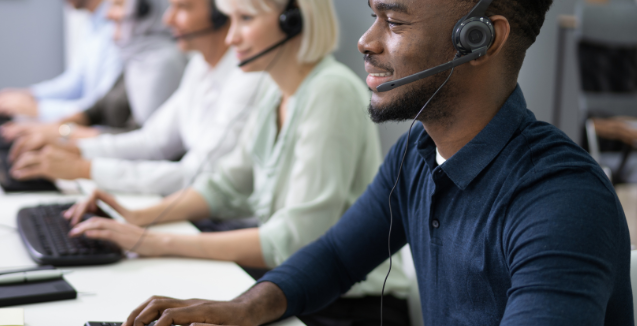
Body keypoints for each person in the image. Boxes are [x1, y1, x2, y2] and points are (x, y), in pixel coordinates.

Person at [120, 0, 635, 325]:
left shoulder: (562, 201)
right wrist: (242, 308)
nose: (366, 41)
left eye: (394, 20)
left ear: (480, 40)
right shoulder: (416, 153)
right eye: (373, 16)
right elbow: (338, 257)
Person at [65, 0, 412, 322]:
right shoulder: (274, 89)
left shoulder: (330, 91)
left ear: (292, 21)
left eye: (244, 19)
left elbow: (293, 239)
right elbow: (225, 186)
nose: (231, 37)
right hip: (293, 290)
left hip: (347, 307)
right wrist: (139, 217)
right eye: (229, 20)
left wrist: (153, 241)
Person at [4, 0, 267, 196]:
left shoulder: (246, 78)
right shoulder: (199, 66)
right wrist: (74, 148)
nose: (168, 19)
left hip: (214, 213)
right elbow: (152, 140)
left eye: (183, 7)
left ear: (221, 16)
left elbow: (195, 174)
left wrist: (83, 167)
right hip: (190, 201)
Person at [0, 0, 187, 136]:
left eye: (118, 4)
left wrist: (66, 135)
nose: (109, 14)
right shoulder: (135, 54)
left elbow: (145, 139)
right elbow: (96, 108)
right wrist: (49, 127)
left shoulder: (164, 61)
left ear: (146, 9)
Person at [0, 0, 122, 122]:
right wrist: (30, 95)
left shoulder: (119, 25)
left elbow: (100, 108)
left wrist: (38, 109)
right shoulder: (92, 22)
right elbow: (76, 82)